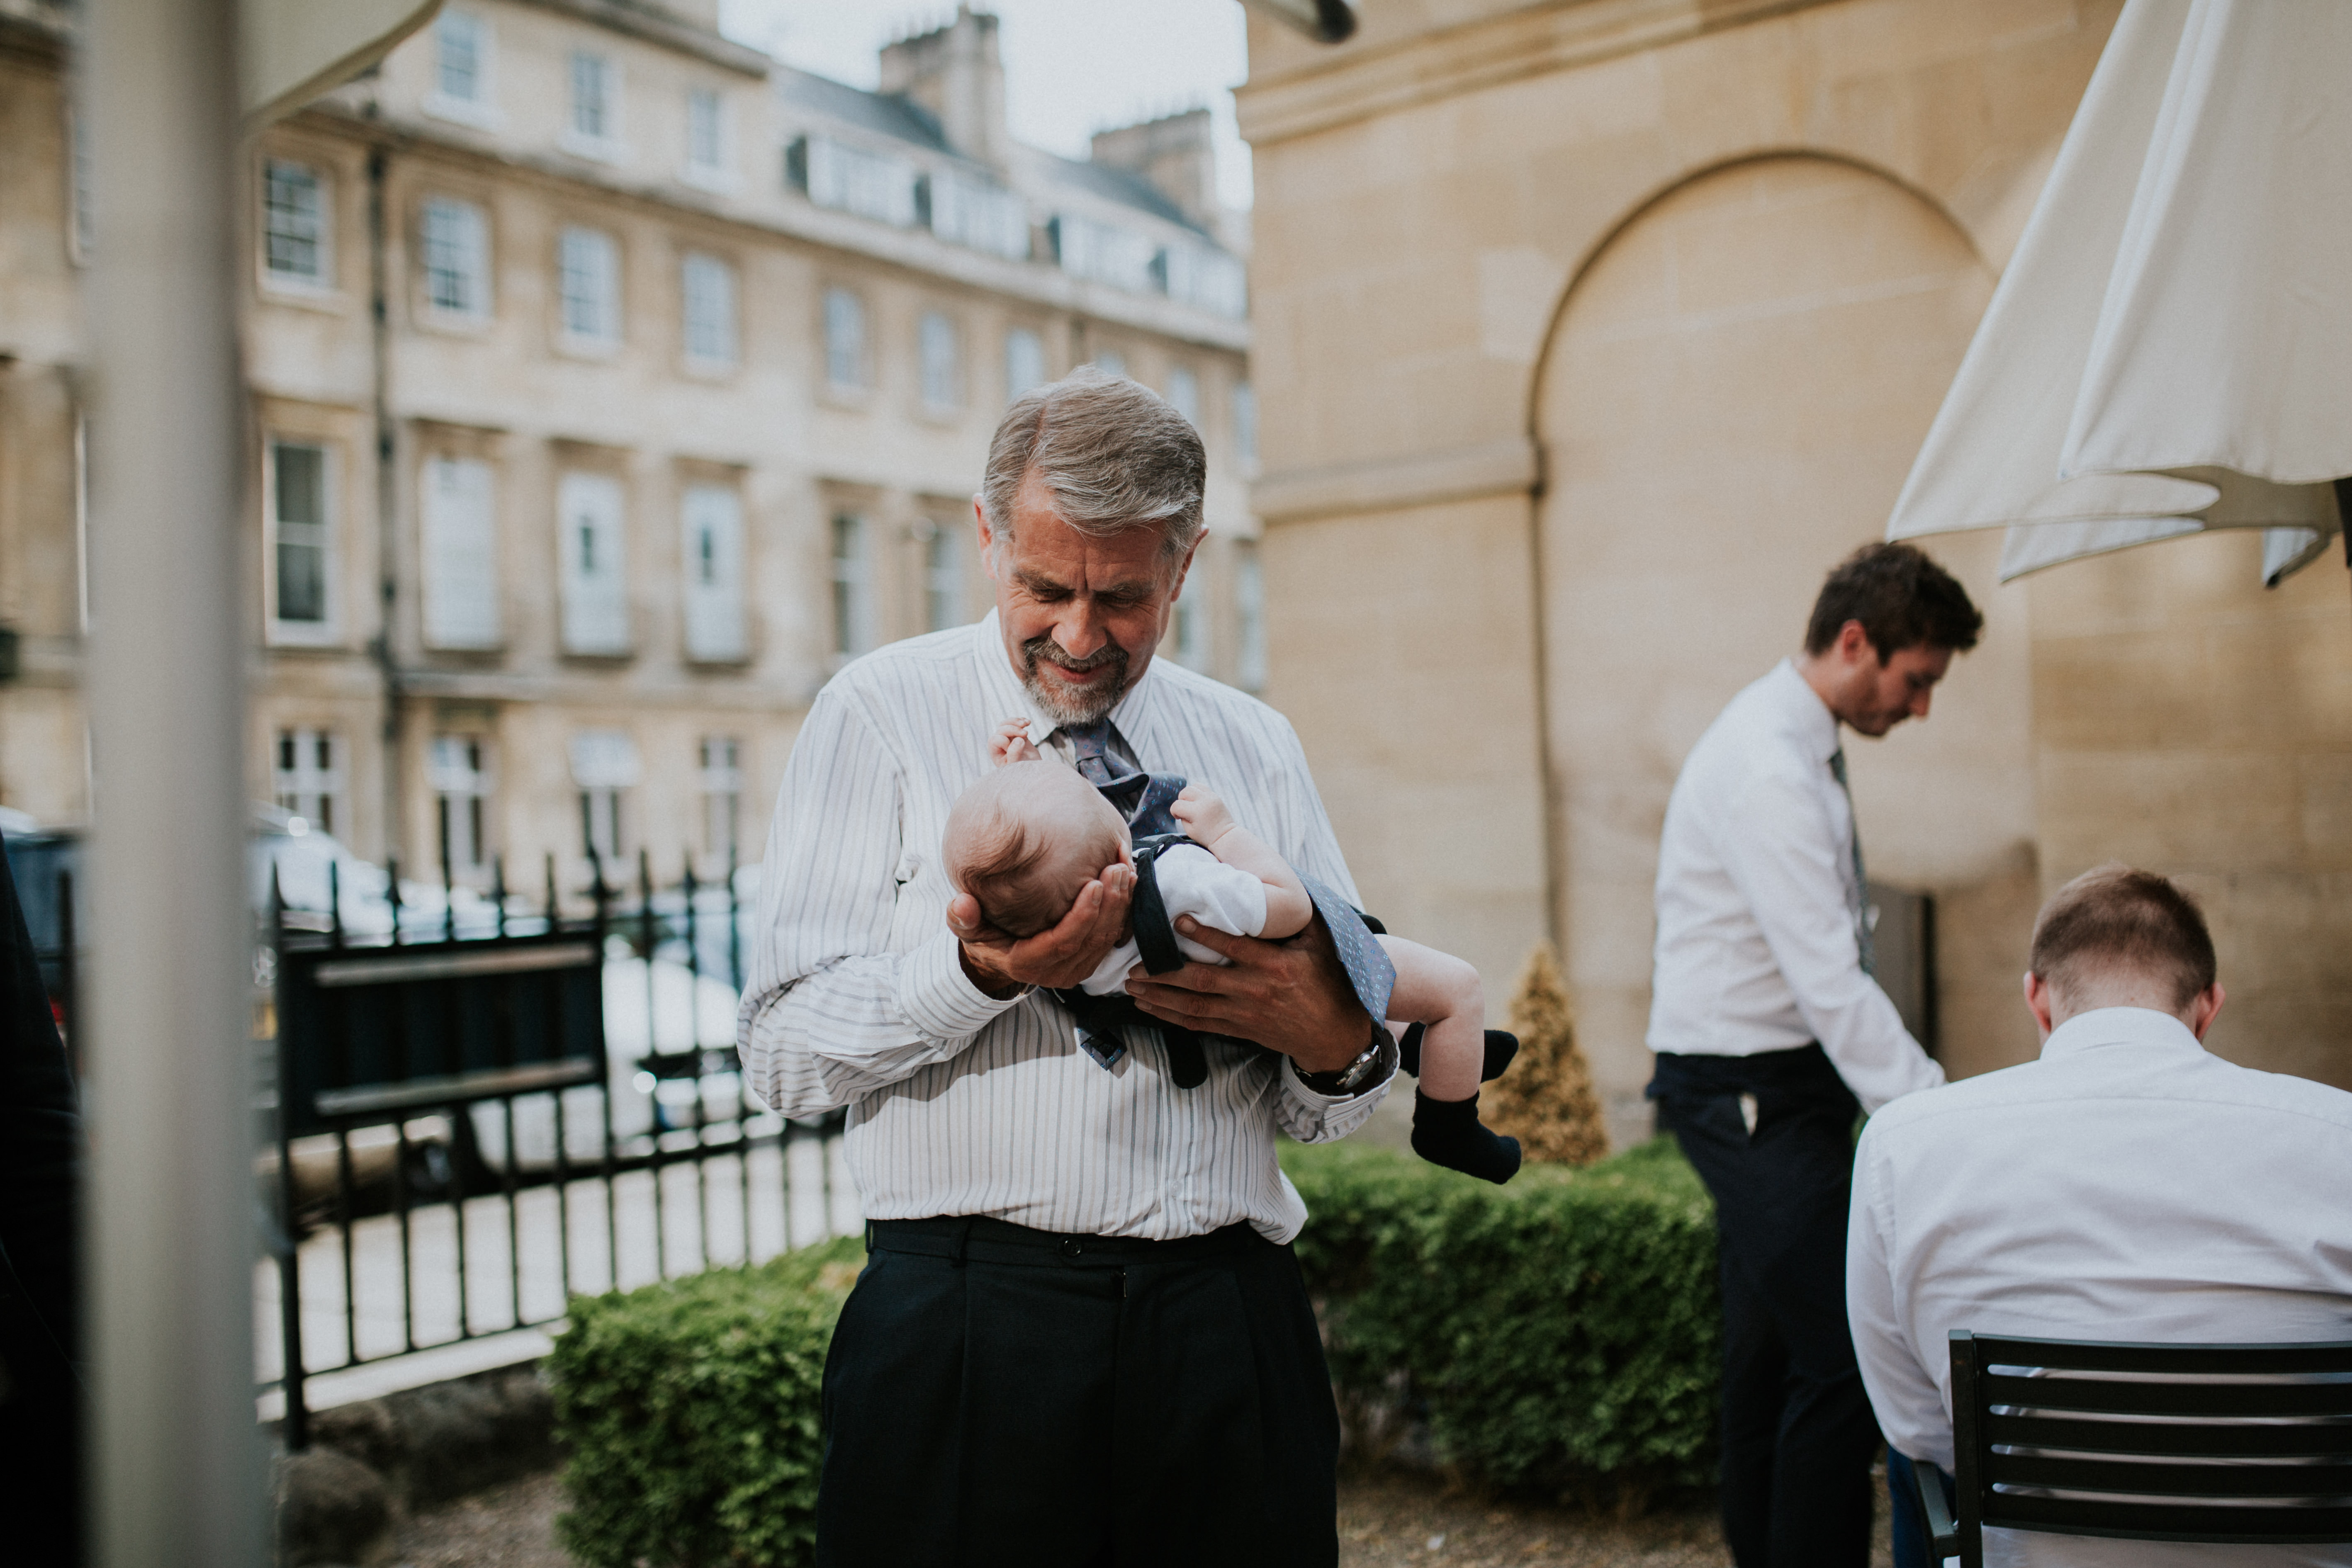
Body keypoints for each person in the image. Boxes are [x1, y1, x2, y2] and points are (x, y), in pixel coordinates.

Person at [739, 367, 1402, 1568]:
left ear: (1186, 564)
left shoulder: (1255, 744)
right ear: (988, 538)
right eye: (1046, 586)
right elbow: (781, 1051)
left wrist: (1333, 1038)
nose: (1082, 635)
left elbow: (1331, 1103)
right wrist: (980, 973)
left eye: (1126, 596)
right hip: (965, 1335)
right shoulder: (875, 713)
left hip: (1228, 1328)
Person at [1849, 865, 2352, 1568]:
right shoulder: (2341, 1134)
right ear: (2209, 1007)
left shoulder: (1901, 1145)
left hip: (2035, 1553)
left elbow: (1920, 1428)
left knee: (1915, 1468)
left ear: (2038, 1000)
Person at [1645, 541, 1984, 1568]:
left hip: (1776, 1084)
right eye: (1916, 679)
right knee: (1843, 1363)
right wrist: (1934, 1114)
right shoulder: (1767, 769)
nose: (1920, 707)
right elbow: (1830, 982)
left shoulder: (1793, 741)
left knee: (1770, 1359)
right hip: (1749, 1093)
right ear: (1854, 641)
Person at [944, 734, 1519, 1181]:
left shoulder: (1079, 951)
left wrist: (1020, 770)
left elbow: (1045, 850)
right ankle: (1450, 1125)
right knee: (1455, 991)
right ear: (1123, 847)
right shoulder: (1179, 883)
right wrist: (1227, 832)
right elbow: (1290, 908)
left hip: (1228, 1023)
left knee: (1397, 998)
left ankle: (1433, 1054)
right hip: (1305, 963)